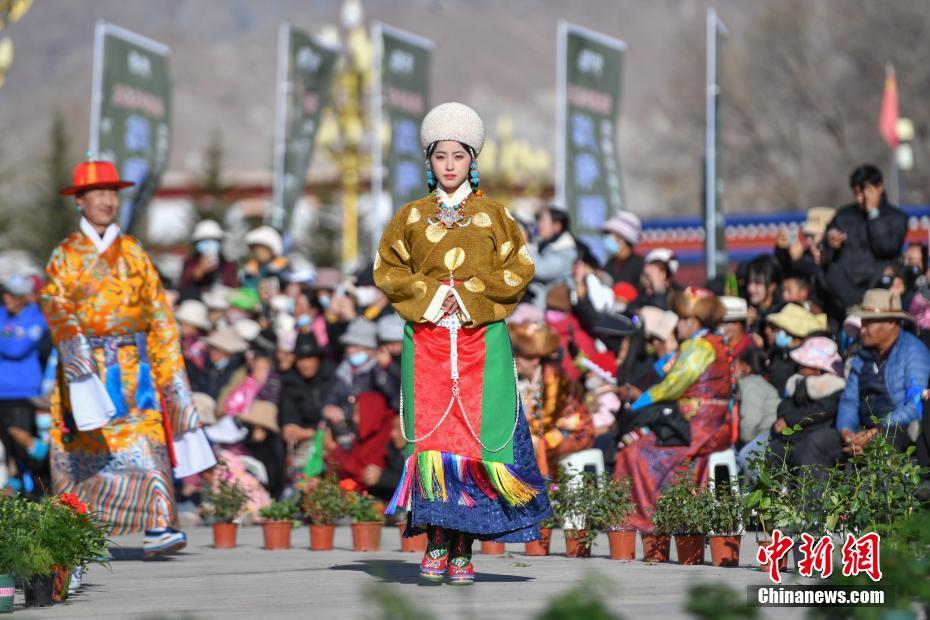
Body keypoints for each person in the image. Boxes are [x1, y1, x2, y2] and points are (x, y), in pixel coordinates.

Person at [374, 102, 550, 585]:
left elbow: (519, 268)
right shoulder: (410, 217)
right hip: (428, 339)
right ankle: (436, 541)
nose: (449, 165)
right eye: (440, 156)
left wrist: (467, 295)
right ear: (428, 161)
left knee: (476, 449)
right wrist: (434, 296)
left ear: (473, 159)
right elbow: (387, 269)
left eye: (458, 156)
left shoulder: (496, 216)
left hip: (482, 341)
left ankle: (462, 550)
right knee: (435, 446)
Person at [40, 158, 212, 557]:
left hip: (135, 371)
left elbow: (159, 314)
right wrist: (78, 358)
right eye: (97, 193)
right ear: (80, 200)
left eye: (112, 193)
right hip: (87, 369)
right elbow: (54, 305)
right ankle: (82, 533)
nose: (106, 201)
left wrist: (171, 375)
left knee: (148, 444)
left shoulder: (134, 252)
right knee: (85, 454)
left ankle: (159, 524)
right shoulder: (65, 255)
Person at [614, 289, 732, 533]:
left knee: (635, 452)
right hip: (708, 423)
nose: (677, 326)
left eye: (680, 318)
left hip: (699, 427)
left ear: (692, 320)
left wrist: (639, 403)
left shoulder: (700, 346)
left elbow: (672, 385)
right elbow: (669, 370)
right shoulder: (712, 341)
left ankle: (647, 519)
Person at [804, 290, 930, 468]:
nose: (862, 330)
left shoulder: (914, 352)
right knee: (816, 443)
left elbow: (916, 404)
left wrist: (874, 433)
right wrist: (847, 432)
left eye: (868, 324)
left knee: (886, 442)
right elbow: (849, 399)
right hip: (862, 430)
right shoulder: (862, 356)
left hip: (896, 430)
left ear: (890, 322)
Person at [510, 322, 594, 476]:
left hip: (573, 431)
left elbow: (545, 419)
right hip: (545, 428)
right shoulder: (526, 379)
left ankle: (542, 485)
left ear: (535, 359)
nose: (514, 359)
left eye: (519, 356)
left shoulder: (553, 379)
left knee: (533, 445)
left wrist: (525, 436)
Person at [822, 165, 908, 309]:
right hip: (845, 291)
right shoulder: (843, 216)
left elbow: (886, 248)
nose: (860, 199)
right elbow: (826, 254)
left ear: (879, 187)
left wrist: (873, 215)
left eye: (864, 192)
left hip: (878, 289)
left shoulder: (896, 217)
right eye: (856, 193)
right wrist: (830, 243)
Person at [0, 274, 48, 492]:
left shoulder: (36, 317)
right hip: (2, 391)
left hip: (23, 393)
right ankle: (17, 488)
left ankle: (36, 491)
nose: (7, 298)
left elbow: (17, 348)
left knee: (25, 444)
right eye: (6, 294)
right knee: (8, 448)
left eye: (13, 295)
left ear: (24, 297)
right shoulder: (2, 314)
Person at [279, 334, 333, 474]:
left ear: (318, 358)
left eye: (310, 358)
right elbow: (289, 418)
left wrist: (309, 433)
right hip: (304, 443)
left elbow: (337, 417)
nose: (305, 364)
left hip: (332, 438)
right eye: (301, 359)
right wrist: (291, 431)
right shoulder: (290, 382)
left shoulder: (332, 377)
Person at [178, 220, 238, 298]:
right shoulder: (189, 262)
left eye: (213, 240)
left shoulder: (228, 264)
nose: (209, 244)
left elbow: (233, 287)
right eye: (204, 241)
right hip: (197, 300)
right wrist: (199, 271)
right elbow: (183, 287)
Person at [601, 212, 644, 286]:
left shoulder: (639, 265)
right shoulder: (610, 264)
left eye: (609, 234)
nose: (606, 238)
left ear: (621, 237)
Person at [241, 226, 289, 290]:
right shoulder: (252, 266)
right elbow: (247, 285)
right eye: (256, 249)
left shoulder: (279, 267)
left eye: (263, 250)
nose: (258, 253)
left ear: (271, 251)